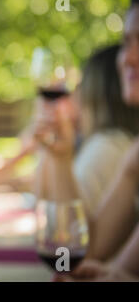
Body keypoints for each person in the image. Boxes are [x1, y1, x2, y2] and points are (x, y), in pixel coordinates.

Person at [33, 45, 139, 219]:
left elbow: (63, 226)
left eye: (81, 85)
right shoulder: (105, 144)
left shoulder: (107, 147)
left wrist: (59, 156)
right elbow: (43, 201)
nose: (74, 93)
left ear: (95, 92)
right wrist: (52, 150)